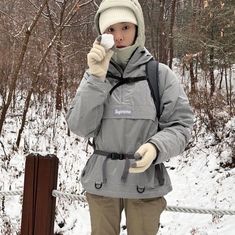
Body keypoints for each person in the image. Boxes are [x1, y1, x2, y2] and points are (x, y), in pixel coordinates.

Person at [66, 0, 194, 234]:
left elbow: (181, 126)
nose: (119, 36)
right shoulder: (93, 74)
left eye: (125, 27)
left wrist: (156, 147)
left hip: (145, 182)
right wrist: (96, 78)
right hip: (101, 184)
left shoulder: (160, 74)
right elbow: (79, 126)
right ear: (101, 34)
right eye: (110, 30)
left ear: (138, 28)